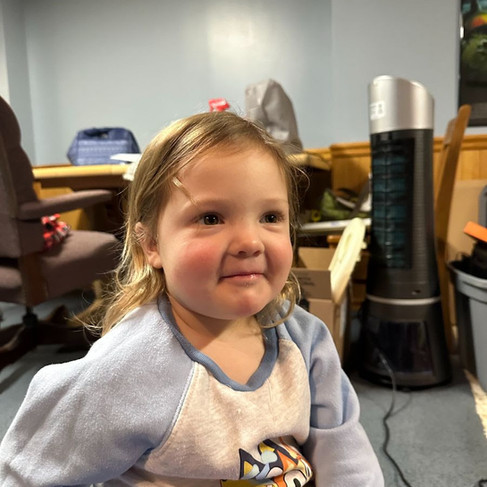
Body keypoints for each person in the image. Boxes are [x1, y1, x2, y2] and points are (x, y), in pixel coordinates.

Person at [0, 111, 384, 486]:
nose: (251, 242)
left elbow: (343, 449)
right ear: (152, 244)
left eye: (270, 217)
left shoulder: (306, 338)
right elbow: (27, 470)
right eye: (211, 218)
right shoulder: (128, 367)